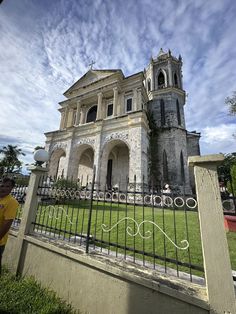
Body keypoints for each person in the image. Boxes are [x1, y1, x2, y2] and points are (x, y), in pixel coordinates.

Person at [0, 177, 19, 275]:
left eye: (7, 186)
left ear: (12, 188)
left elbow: (7, 223)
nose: (3, 188)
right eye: (2, 185)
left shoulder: (11, 202)